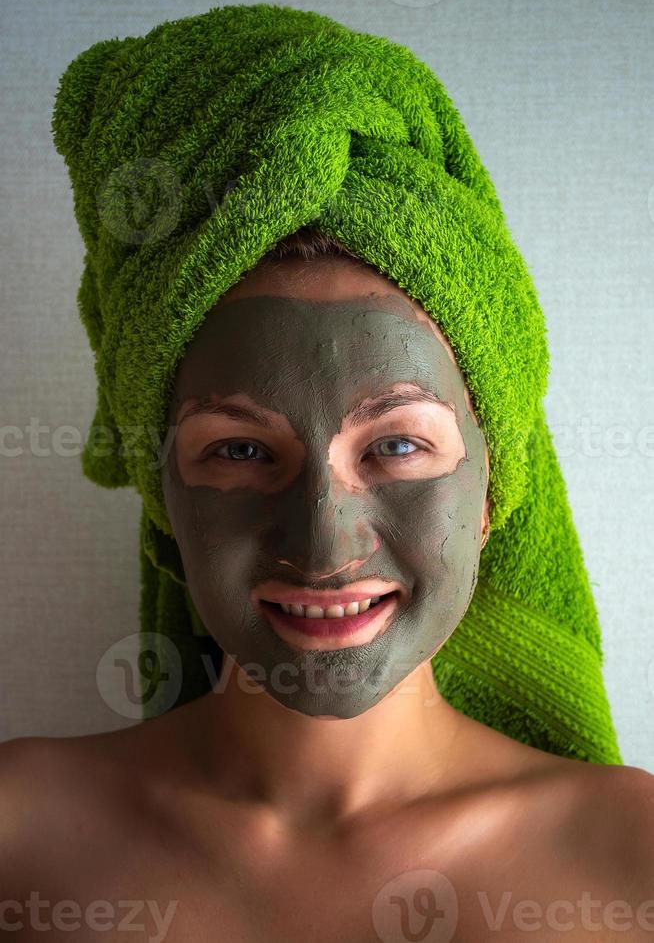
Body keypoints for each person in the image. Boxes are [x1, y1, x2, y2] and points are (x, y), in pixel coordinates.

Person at [1, 229, 653, 942]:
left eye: (396, 446)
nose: (323, 547)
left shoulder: (634, 855)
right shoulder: (17, 831)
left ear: (490, 495)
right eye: (241, 450)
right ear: (165, 505)